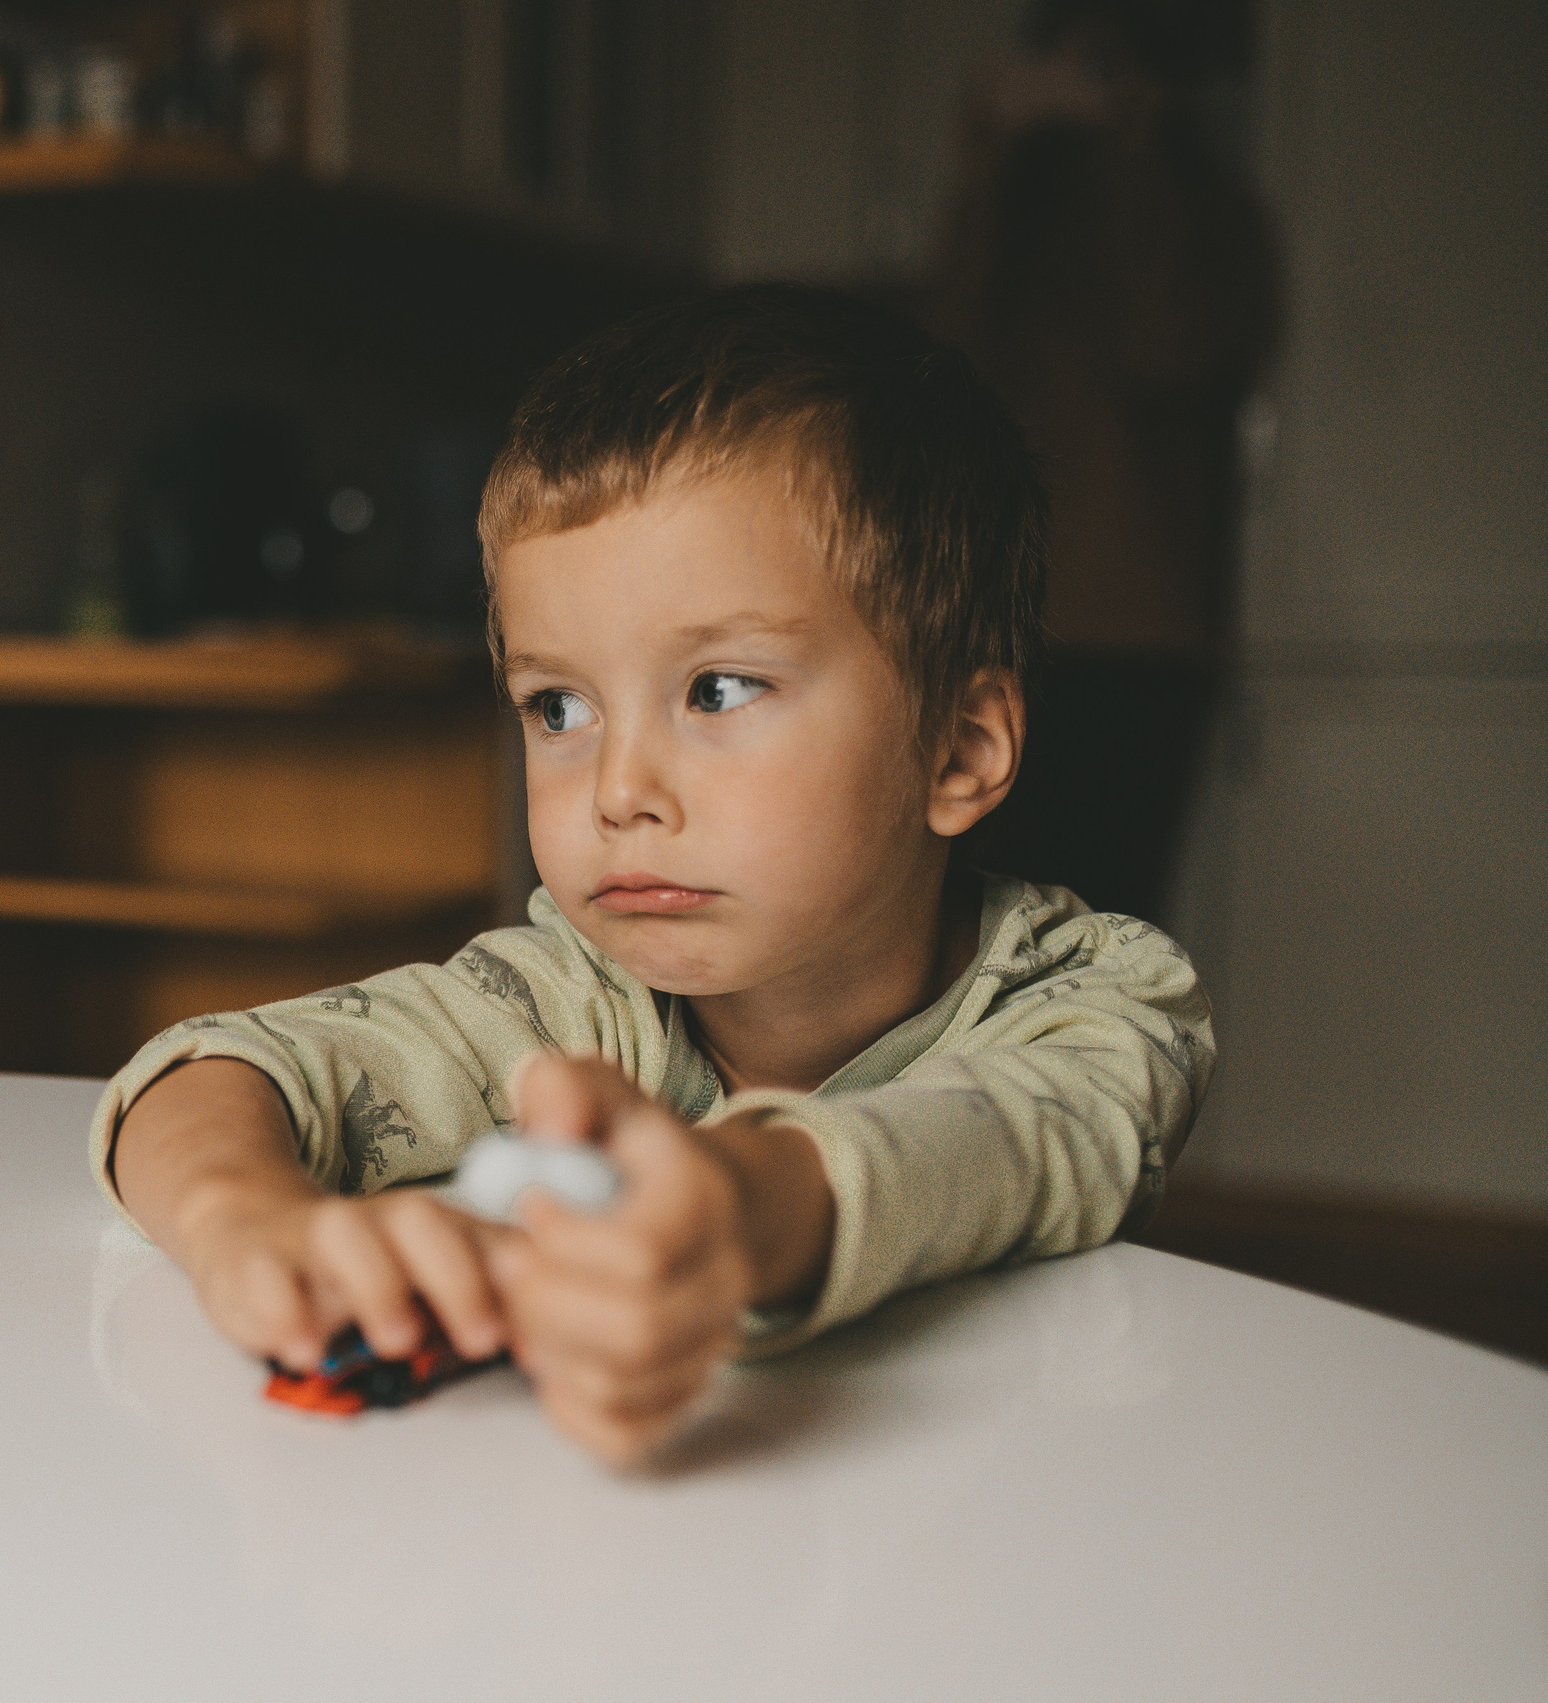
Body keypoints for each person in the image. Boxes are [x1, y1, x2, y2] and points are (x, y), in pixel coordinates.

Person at [86, 286, 1214, 1468]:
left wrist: (734, 1206)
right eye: (557, 706)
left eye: (717, 689)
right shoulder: (560, 1000)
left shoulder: (1102, 1002)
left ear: (959, 749)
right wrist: (243, 1219)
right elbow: (216, 1071)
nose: (617, 789)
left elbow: (991, 1143)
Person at [930, 0, 1277, 923]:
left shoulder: (1211, 215)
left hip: (1136, 642)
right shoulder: (1019, 209)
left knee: (1107, 935)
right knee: (976, 930)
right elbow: (938, 369)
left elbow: (1168, 346)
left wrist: (1133, 148)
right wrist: (986, 155)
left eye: (1110, 58)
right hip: (998, 625)